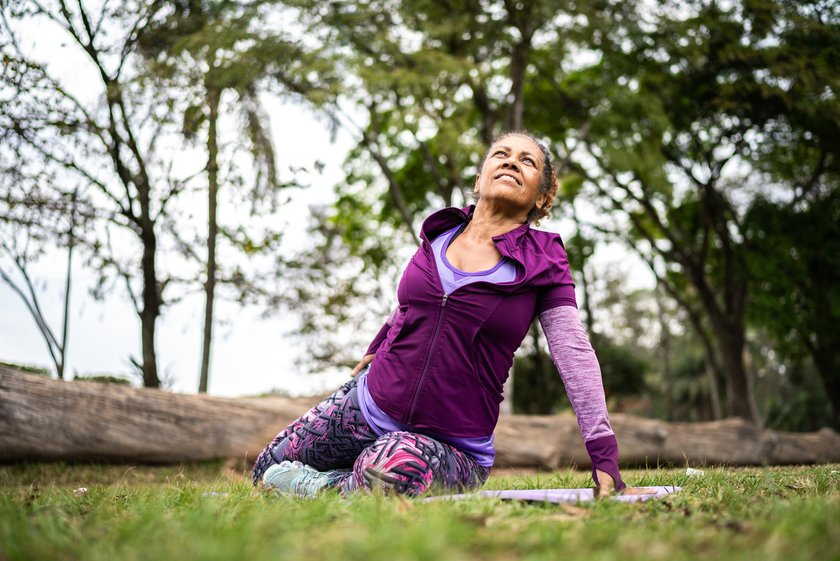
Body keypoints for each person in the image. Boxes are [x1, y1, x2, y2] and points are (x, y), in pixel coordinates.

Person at [252, 130, 625, 498]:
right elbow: (416, 303)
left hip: (452, 446)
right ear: (480, 179)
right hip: (366, 406)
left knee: (388, 472)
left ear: (542, 197)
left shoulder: (543, 259)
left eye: (527, 161)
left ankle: (320, 486)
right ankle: (351, 478)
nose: (511, 161)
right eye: (501, 154)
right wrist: (381, 340)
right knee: (265, 469)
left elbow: (573, 351)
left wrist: (603, 456)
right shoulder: (440, 232)